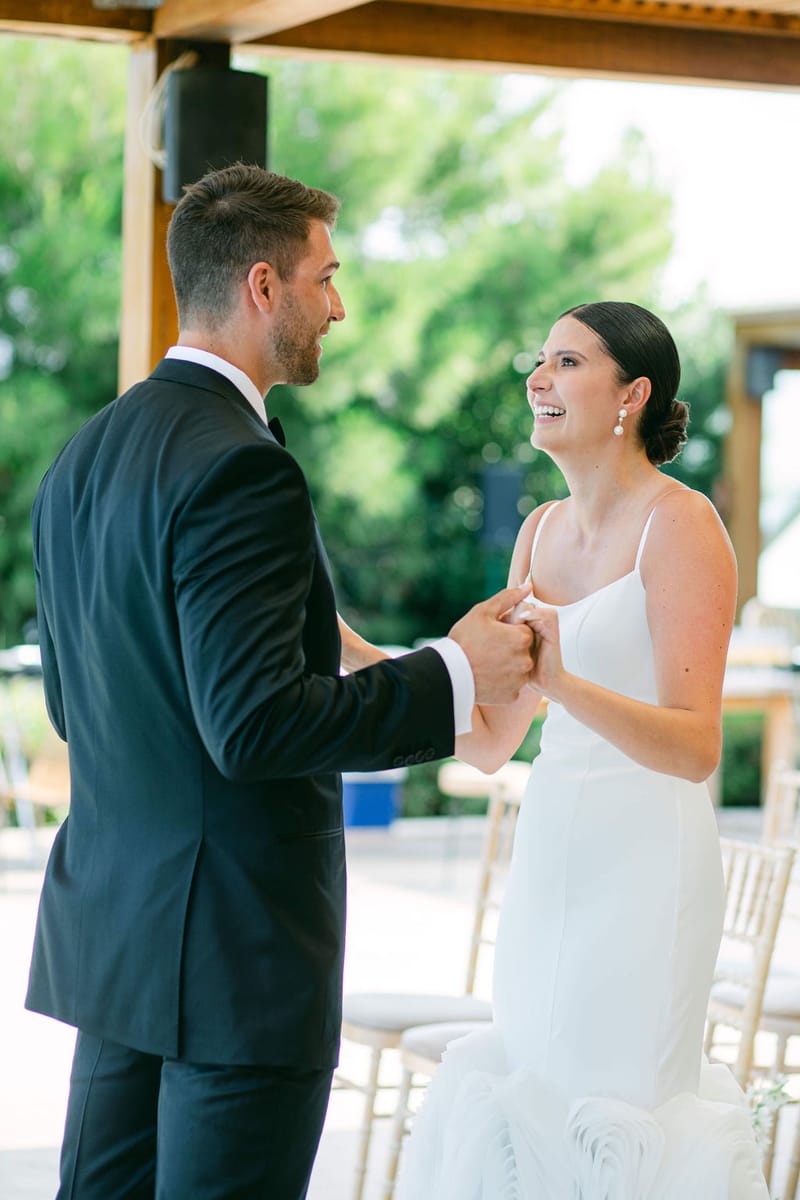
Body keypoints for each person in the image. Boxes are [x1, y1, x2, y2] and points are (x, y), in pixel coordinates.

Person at [25, 164, 536, 1200]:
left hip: (115, 946)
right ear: (264, 287)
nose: (338, 305)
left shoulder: (84, 456)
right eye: (326, 276)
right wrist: (453, 670)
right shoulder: (242, 464)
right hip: (236, 957)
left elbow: (76, 709)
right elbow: (254, 727)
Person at [346, 301, 768, 1197]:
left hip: (649, 865)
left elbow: (696, 747)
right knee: (533, 1085)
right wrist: (357, 652)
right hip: (552, 859)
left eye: (568, 362)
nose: (539, 379)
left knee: (622, 1102)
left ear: (632, 394)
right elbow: (495, 738)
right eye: (540, 361)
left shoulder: (683, 526)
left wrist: (567, 685)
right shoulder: (538, 532)